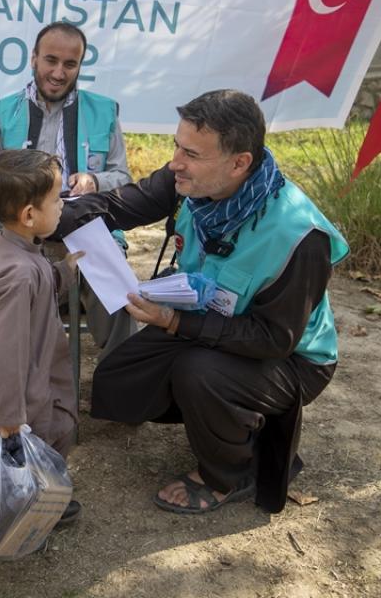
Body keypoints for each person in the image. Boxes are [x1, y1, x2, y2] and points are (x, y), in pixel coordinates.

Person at [54, 89, 348, 515]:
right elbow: (119, 206)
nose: (175, 161)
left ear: (239, 163)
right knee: (121, 377)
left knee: (199, 373)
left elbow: (273, 339)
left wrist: (175, 323)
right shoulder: (192, 182)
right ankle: (232, 421)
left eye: (190, 153)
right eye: (177, 146)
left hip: (292, 360)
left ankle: (231, 473)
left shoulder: (299, 235)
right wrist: (44, 217)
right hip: (211, 321)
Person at [0, 22, 134, 354]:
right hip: (21, 230)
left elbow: (123, 177)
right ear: (34, 58)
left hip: (86, 228)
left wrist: (95, 181)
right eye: (51, 60)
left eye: (70, 64)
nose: (59, 73)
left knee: (119, 289)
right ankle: (23, 349)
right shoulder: (6, 110)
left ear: (80, 66)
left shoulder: (103, 110)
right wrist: (20, 187)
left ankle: (119, 371)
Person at [0, 149, 83, 525]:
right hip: (28, 393)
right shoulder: (19, 274)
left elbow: (41, 279)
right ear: (29, 215)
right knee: (39, 444)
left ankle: (43, 500)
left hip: (37, 378)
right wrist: (8, 414)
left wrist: (64, 271)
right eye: (56, 199)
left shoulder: (12, 246)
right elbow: (6, 349)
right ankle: (30, 518)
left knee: (40, 447)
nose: (62, 204)